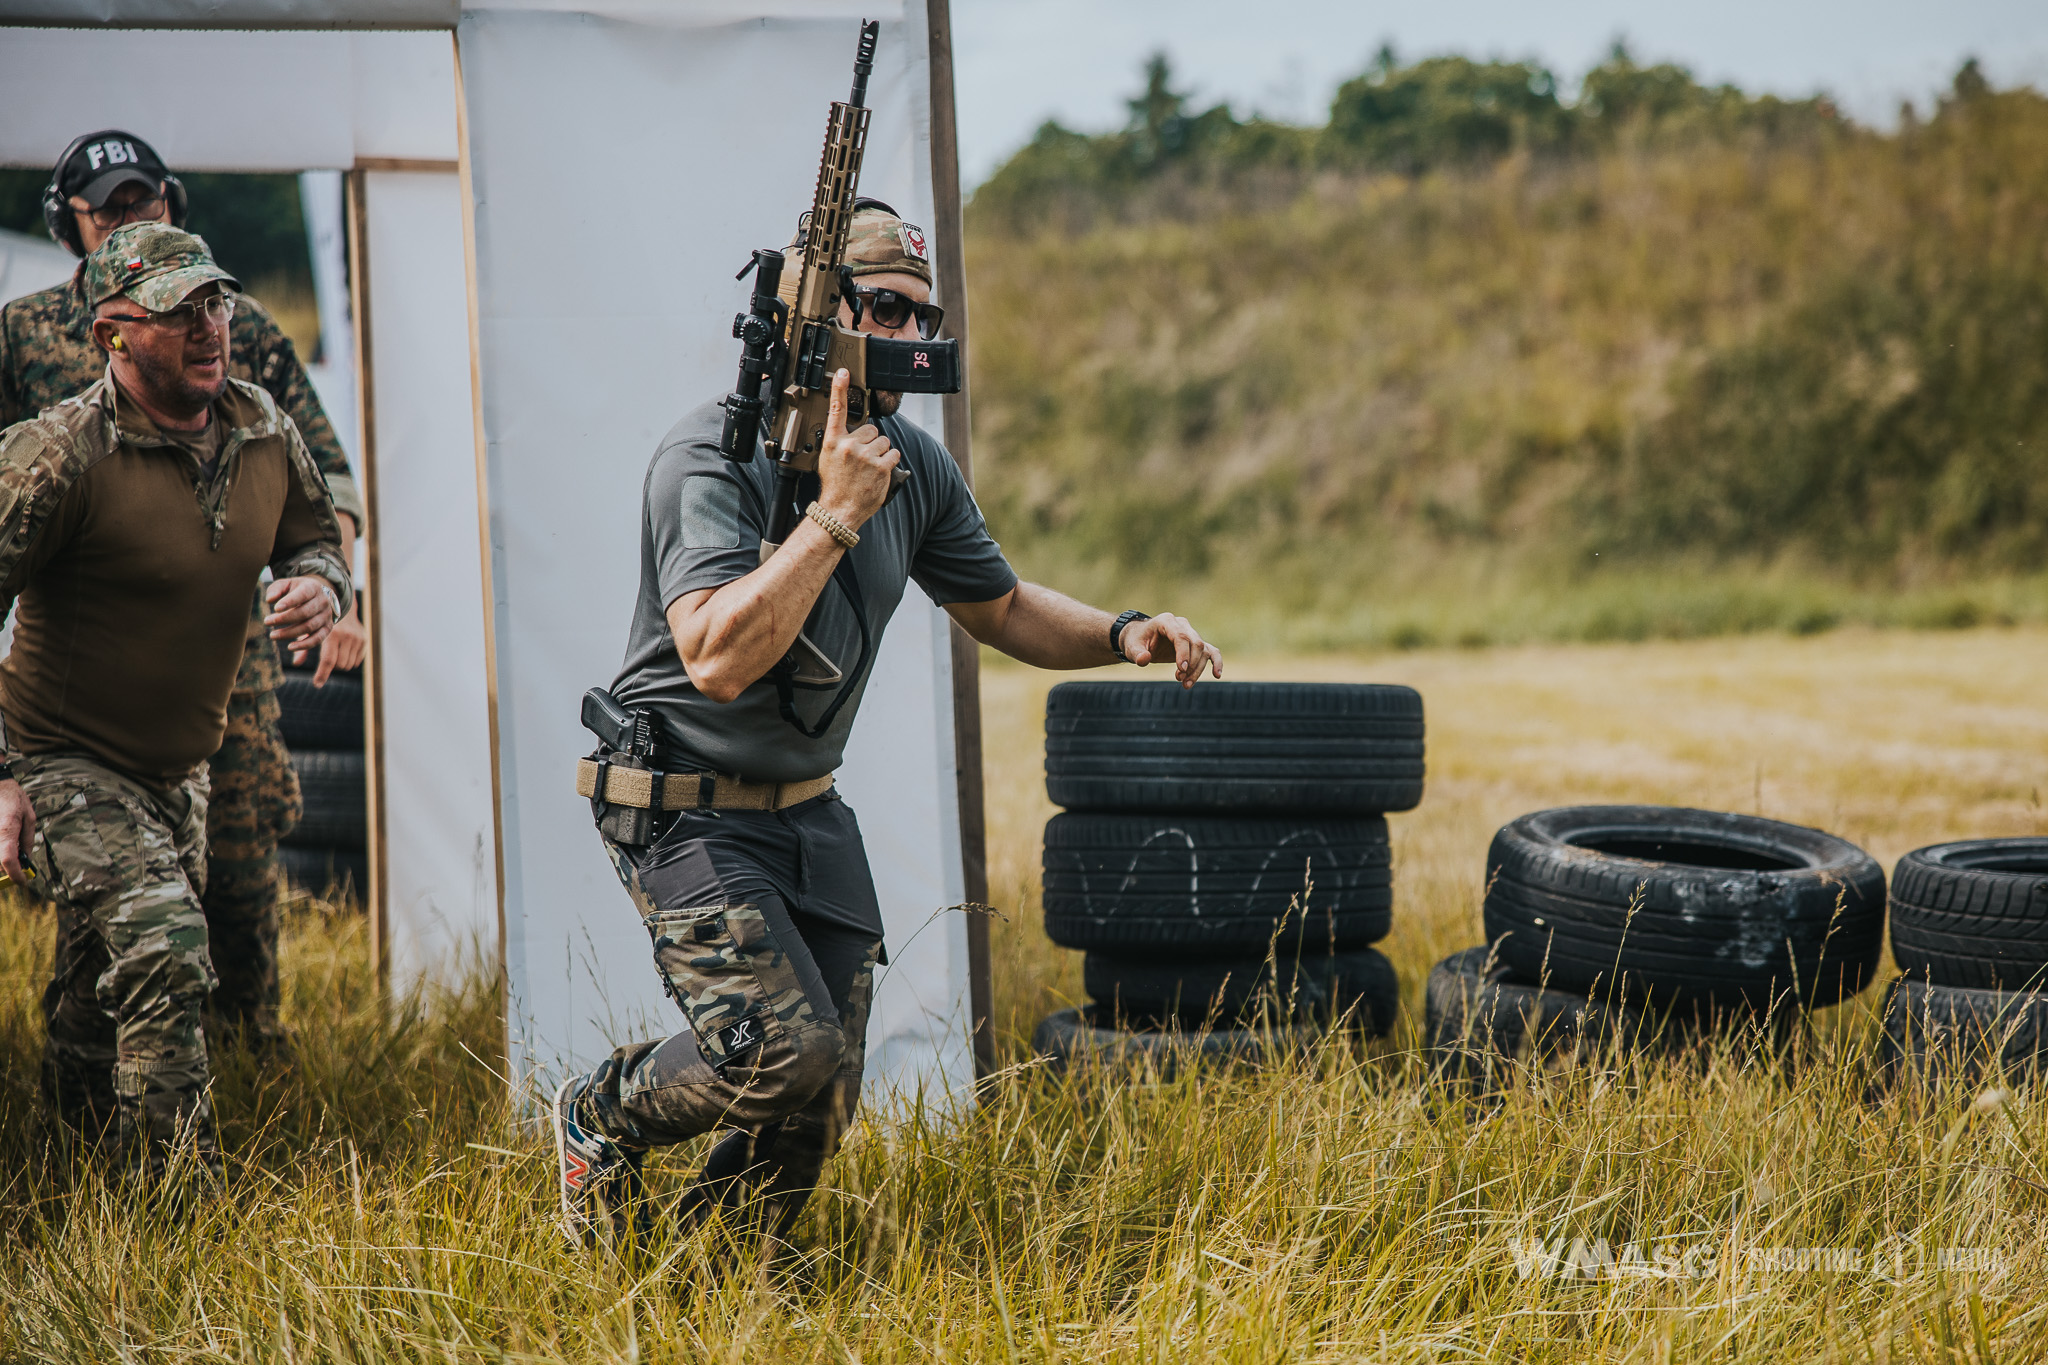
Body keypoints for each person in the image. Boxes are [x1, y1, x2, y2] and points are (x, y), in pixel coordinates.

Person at [551, 203, 1224, 1251]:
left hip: (804, 810)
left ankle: (719, 1276)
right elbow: (716, 660)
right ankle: (601, 1115)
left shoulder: (907, 457)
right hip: (681, 806)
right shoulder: (709, 454)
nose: (916, 340)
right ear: (821, 320)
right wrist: (831, 517)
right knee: (779, 1051)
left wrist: (1123, 631)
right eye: (889, 313)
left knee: (821, 1093)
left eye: (926, 316)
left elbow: (996, 604)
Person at [0, 130, 369, 1058]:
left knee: (234, 890)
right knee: (157, 931)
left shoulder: (250, 391)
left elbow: (323, 501)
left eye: (146, 198)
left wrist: (329, 590)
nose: (207, 326)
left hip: (219, 683)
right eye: (111, 209)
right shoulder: (28, 349)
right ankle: (164, 1166)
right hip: (76, 697)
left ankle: (239, 1058)